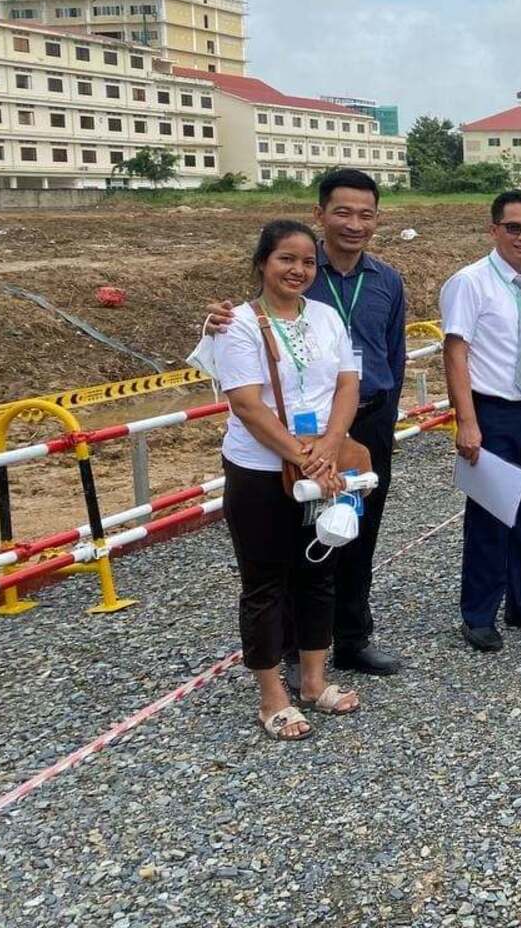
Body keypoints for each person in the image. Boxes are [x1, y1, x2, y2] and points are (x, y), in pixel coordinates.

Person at [202, 168, 408, 677]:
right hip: (294, 436)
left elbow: (394, 355)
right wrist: (211, 326)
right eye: (342, 211)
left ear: (377, 220)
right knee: (296, 538)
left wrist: (375, 420)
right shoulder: (296, 273)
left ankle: (353, 639)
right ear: (320, 215)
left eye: (365, 214)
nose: (354, 223)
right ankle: (293, 649)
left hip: (365, 422)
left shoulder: (386, 281)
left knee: (354, 529)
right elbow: (241, 353)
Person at [206, 220, 361, 740]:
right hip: (259, 470)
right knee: (266, 581)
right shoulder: (239, 325)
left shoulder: (325, 317)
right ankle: (271, 694)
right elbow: (247, 404)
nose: (298, 270)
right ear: (262, 263)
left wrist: (333, 443)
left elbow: (347, 383)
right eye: (285, 260)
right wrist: (303, 455)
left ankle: (314, 681)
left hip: (322, 462)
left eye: (307, 262)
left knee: (319, 572)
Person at [440, 191, 521, 653]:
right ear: (494, 230)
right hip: (491, 411)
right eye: (514, 227)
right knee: (490, 514)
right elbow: (456, 352)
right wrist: (466, 422)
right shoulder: (470, 282)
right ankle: (478, 613)